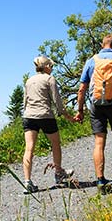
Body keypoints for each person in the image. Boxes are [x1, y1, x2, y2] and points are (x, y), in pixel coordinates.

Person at [74, 34, 112, 190]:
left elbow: (82, 89)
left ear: (102, 45)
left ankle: (100, 179)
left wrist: (80, 110)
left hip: (96, 105)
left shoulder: (91, 61)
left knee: (99, 142)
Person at [22, 56, 75, 193]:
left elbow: (25, 101)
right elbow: (57, 101)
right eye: (51, 66)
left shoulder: (29, 80)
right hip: (45, 115)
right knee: (55, 143)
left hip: (29, 116)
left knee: (29, 148)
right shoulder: (49, 79)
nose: (52, 68)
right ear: (46, 67)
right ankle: (58, 172)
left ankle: (27, 181)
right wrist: (68, 116)